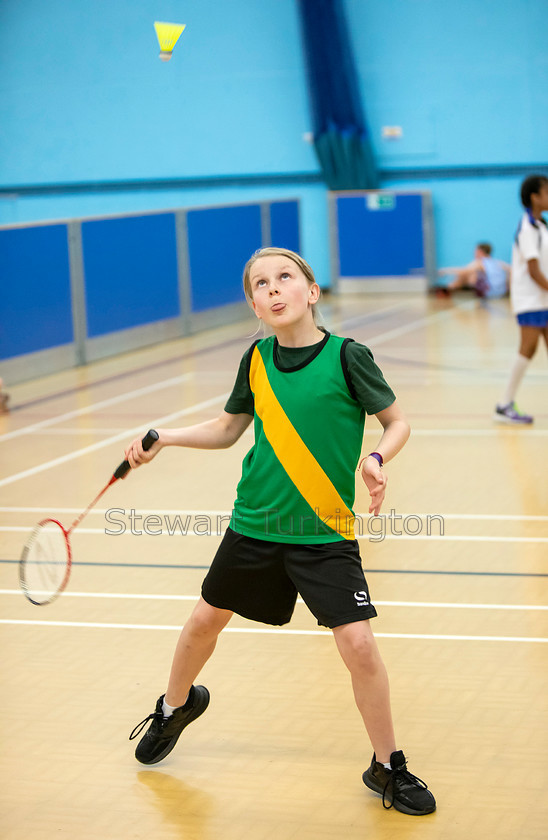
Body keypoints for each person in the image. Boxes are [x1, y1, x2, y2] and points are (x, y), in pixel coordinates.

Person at [125, 247, 436, 816]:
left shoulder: (347, 357)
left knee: (360, 645)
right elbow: (226, 431)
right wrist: (163, 437)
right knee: (202, 622)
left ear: (311, 292)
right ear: (254, 304)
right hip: (256, 525)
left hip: (324, 532)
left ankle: (387, 764)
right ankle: (175, 706)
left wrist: (377, 458)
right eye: (260, 284)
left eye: (285, 277)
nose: (273, 289)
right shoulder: (256, 360)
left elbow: (397, 421)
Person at [494, 174, 548, 423]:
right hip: (531, 299)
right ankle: (505, 404)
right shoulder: (527, 228)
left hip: (542, 297)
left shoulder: (541, 225)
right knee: (528, 348)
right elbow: (534, 270)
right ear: (535, 197)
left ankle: (505, 404)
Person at [436, 242, 510, 298]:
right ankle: (447, 290)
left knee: (465, 274)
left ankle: (447, 290)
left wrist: (445, 270)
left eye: (475, 250)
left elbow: (463, 270)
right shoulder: (498, 262)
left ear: (479, 251)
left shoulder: (479, 262)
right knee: (473, 273)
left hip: (489, 292)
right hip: (501, 292)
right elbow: (510, 269)